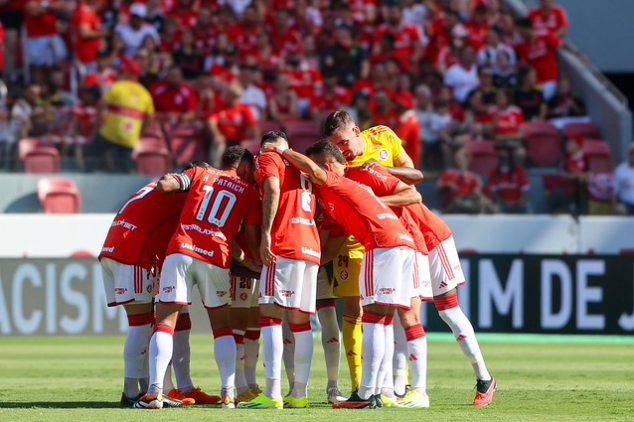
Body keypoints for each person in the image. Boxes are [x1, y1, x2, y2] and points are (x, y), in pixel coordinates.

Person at [259, 139, 417, 409]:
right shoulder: (343, 193)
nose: (309, 173)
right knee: (383, 321)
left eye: (315, 167)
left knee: (373, 321)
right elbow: (332, 245)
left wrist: (281, 150)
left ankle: (366, 394)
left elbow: (413, 190)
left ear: (327, 165)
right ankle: (381, 391)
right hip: (400, 243)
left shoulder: (335, 181)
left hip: (381, 244)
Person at [134, 158, 261, 410]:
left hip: (181, 251)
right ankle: (227, 395)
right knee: (222, 327)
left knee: (164, 324)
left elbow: (166, 186)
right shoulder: (248, 191)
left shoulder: (201, 172)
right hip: (216, 256)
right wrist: (252, 263)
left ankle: (154, 393)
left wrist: (169, 179)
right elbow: (250, 237)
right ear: (245, 166)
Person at [323, 110, 422, 394]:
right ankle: (359, 384)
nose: (341, 151)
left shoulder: (383, 136)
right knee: (355, 311)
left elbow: (414, 175)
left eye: (343, 142)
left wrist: (378, 173)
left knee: (402, 311)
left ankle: (398, 383)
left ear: (356, 132)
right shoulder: (339, 165)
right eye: (335, 146)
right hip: (354, 242)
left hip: (394, 236)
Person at [99, 162, 211, 408]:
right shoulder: (184, 192)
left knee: (163, 318)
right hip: (134, 253)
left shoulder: (156, 188)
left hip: (120, 249)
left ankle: (158, 388)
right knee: (141, 324)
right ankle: (131, 392)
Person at [237, 131, 321, 410]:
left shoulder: (267, 157)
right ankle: (299, 393)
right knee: (300, 323)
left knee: (270, 316)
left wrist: (267, 233)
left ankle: (272, 391)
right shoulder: (301, 163)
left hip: (284, 244)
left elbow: (272, 189)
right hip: (310, 245)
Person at [221, 146, 263, 403]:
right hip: (240, 267)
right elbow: (226, 234)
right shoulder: (235, 190)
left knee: (254, 326)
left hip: (256, 265)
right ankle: (238, 385)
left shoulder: (253, 190)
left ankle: (250, 381)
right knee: (238, 324)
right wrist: (245, 260)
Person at [94, 58, 154, 172]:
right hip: (130, 137)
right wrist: (140, 131)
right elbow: (150, 117)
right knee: (124, 168)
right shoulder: (145, 93)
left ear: (127, 73)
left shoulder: (117, 86)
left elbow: (100, 104)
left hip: (109, 134)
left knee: (94, 157)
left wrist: (99, 121)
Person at [208, 84, 260, 167]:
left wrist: (256, 139)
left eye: (228, 94)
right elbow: (211, 122)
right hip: (223, 139)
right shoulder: (219, 106)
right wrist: (216, 134)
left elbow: (253, 125)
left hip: (239, 140)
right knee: (218, 143)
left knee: (245, 148)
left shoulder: (244, 108)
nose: (225, 96)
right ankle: (215, 167)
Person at [437, 148, 495, 214]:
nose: (458, 161)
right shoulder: (448, 173)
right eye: (456, 158)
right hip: (452, 201)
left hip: (467, 201)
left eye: (460, 158)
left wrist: (479, 196)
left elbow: (476, 192)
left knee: (483, 201)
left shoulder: (473, 177)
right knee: (457, 201)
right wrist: (448, 184)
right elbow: (438, 185)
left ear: (467, 160)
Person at [24, 0, 69, 84]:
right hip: (36, 36)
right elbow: (33, 11)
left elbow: (61, 5)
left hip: (52, 34)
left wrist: (42, 6)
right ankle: (40, 90)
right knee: (38, 66)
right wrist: (50, 7)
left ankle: (53, 90)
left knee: (56, 64)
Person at [515, 17, 561, 101]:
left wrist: (578, 54)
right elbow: (524, 64)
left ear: (526, 28)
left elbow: (560, 44)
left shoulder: (544, 35)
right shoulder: (523, 45)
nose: (519, 34)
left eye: (520, 31)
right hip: (534, 84)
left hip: (549, 80)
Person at [485, 146, 531, 214]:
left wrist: (519, 204)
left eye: (505, 153)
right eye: (499, 153)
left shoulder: (519, 170)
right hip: (502, 203)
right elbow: (493, 193)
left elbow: (524, 192)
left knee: (528, 209)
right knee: (495, 209)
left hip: (518, 202)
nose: (502, 155)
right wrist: (505, 203)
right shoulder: (493, 172)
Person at [71, 0, 108, 72]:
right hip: (87, 54)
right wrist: (104, 33)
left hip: (91, 53)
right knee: (88, 79)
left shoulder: (91, 13)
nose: (103, 6)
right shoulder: (86, 13)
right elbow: (84, 33)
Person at [613, 143, 634, 216]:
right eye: (631, 153)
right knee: (620, 209)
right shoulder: (620, 169)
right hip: (626, 202)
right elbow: (614, 193)